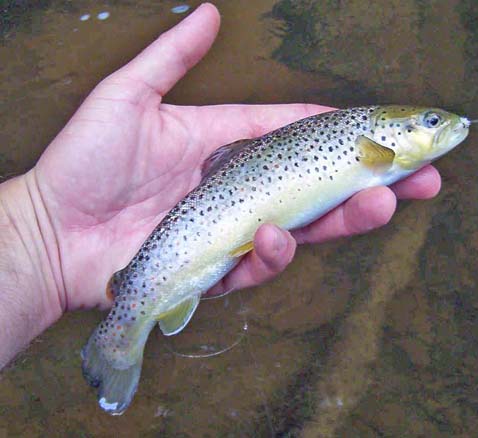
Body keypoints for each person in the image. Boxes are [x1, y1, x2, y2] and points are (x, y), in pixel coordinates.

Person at [0, 3, 440, 369]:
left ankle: (132, 317)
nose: (445, 127)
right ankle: (125, 332)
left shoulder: (377, 153)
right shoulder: (375, 150)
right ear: (389, 133)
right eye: (431, 123)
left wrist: (40, 242)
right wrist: (40, 240)